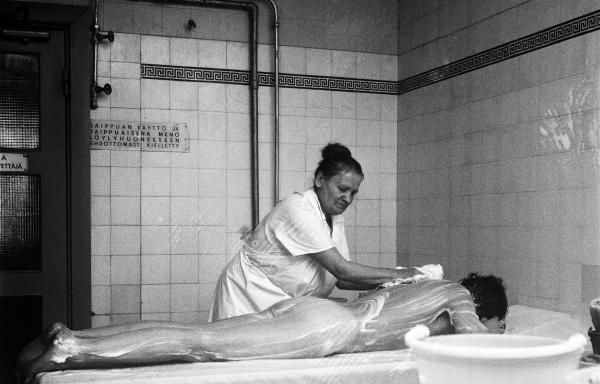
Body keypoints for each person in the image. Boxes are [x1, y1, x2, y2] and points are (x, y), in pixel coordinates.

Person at [18, 274, 508, 382]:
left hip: (314, 309)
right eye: (496, 320)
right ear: (483, 304)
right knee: (199, 345)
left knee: (197, 335)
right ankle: (71, 348)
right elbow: (478, 344)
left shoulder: (420, 283)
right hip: (330, 330)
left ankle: (76, 337)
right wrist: (498, 337)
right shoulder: (457, 296)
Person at [210, 142, 426, 321]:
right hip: (248, 297)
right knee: (240, 367)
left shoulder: (335, 216)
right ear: (320, 180)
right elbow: (342, 270)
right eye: (342, 189)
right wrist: (405, 273)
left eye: (353, 193)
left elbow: (341, 280)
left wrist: (394, 282)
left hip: (284, 305)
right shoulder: (297, 207)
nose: (348, 199)